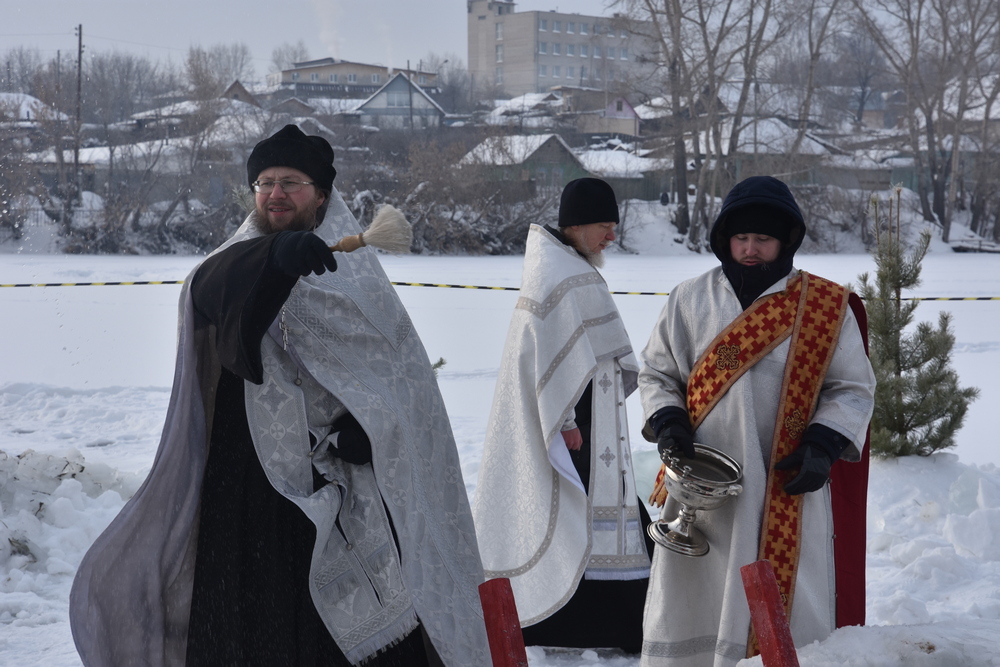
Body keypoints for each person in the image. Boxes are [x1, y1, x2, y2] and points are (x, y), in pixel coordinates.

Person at [69, 125, 491, 667]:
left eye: (291, 182)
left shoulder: (359, 276)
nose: (275, 193)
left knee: (351, 621)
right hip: (250, 482)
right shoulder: (237, 256)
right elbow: (209, 294)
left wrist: (369, 426)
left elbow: (400, 382)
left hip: (343, 479)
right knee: (258, 618)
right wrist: (273, 261)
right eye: (264, 182)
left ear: (321, 194)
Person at [637, 175, 876, 666]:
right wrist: (669, 423)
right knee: (692, 598)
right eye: (740, 238)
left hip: (783, 486)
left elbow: (851, 388)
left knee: (785, 612)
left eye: (762, 239)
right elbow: (658, 371)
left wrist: (823, 445)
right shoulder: (690, 299)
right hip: (701, 487)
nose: (749, 249)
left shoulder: (825, 308)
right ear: (724, 239)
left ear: (785, 241)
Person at [473, 177, 653, 654]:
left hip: (587, 421)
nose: (610, 237)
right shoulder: (562, 274)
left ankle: (611, 624)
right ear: (575, 225)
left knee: (603, 516)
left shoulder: (561, 264)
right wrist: (568, 422)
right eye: (603, 227)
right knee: (580, 515)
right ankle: (588, 628)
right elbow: (554, 359)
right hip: (576, 428)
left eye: (613, 227)